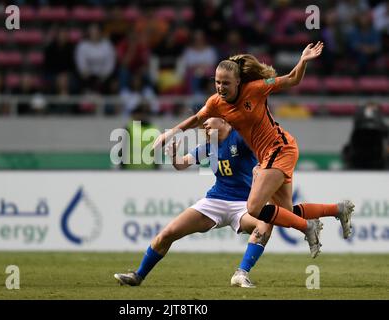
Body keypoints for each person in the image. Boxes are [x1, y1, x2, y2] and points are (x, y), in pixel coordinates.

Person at [153, 42, 355, 258]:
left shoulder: (256, 89)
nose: (220, 87)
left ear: (238, 82)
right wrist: (169, 133)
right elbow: (196, 119)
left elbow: (292, 79)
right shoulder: (215, 103)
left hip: (280, 147)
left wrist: (302, 61)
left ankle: (307, 227)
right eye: (217, 82)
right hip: (270, 154)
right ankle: (338, 209)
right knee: (285, 212)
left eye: (226, 83)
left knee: (254, 208)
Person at [115, 117, 273, 288]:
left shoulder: (240, 137)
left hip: (244, 204)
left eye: (208, 120)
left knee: (265, 224)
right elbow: (181, 165)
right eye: (203, 122)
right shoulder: (208, 145)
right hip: (215, 201)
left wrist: (262, 167)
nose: (204, 124)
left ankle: (241, 273)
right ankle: (138, 276)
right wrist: (174, 155)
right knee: (168, 233)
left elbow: (266, 150)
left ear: (223, 120)